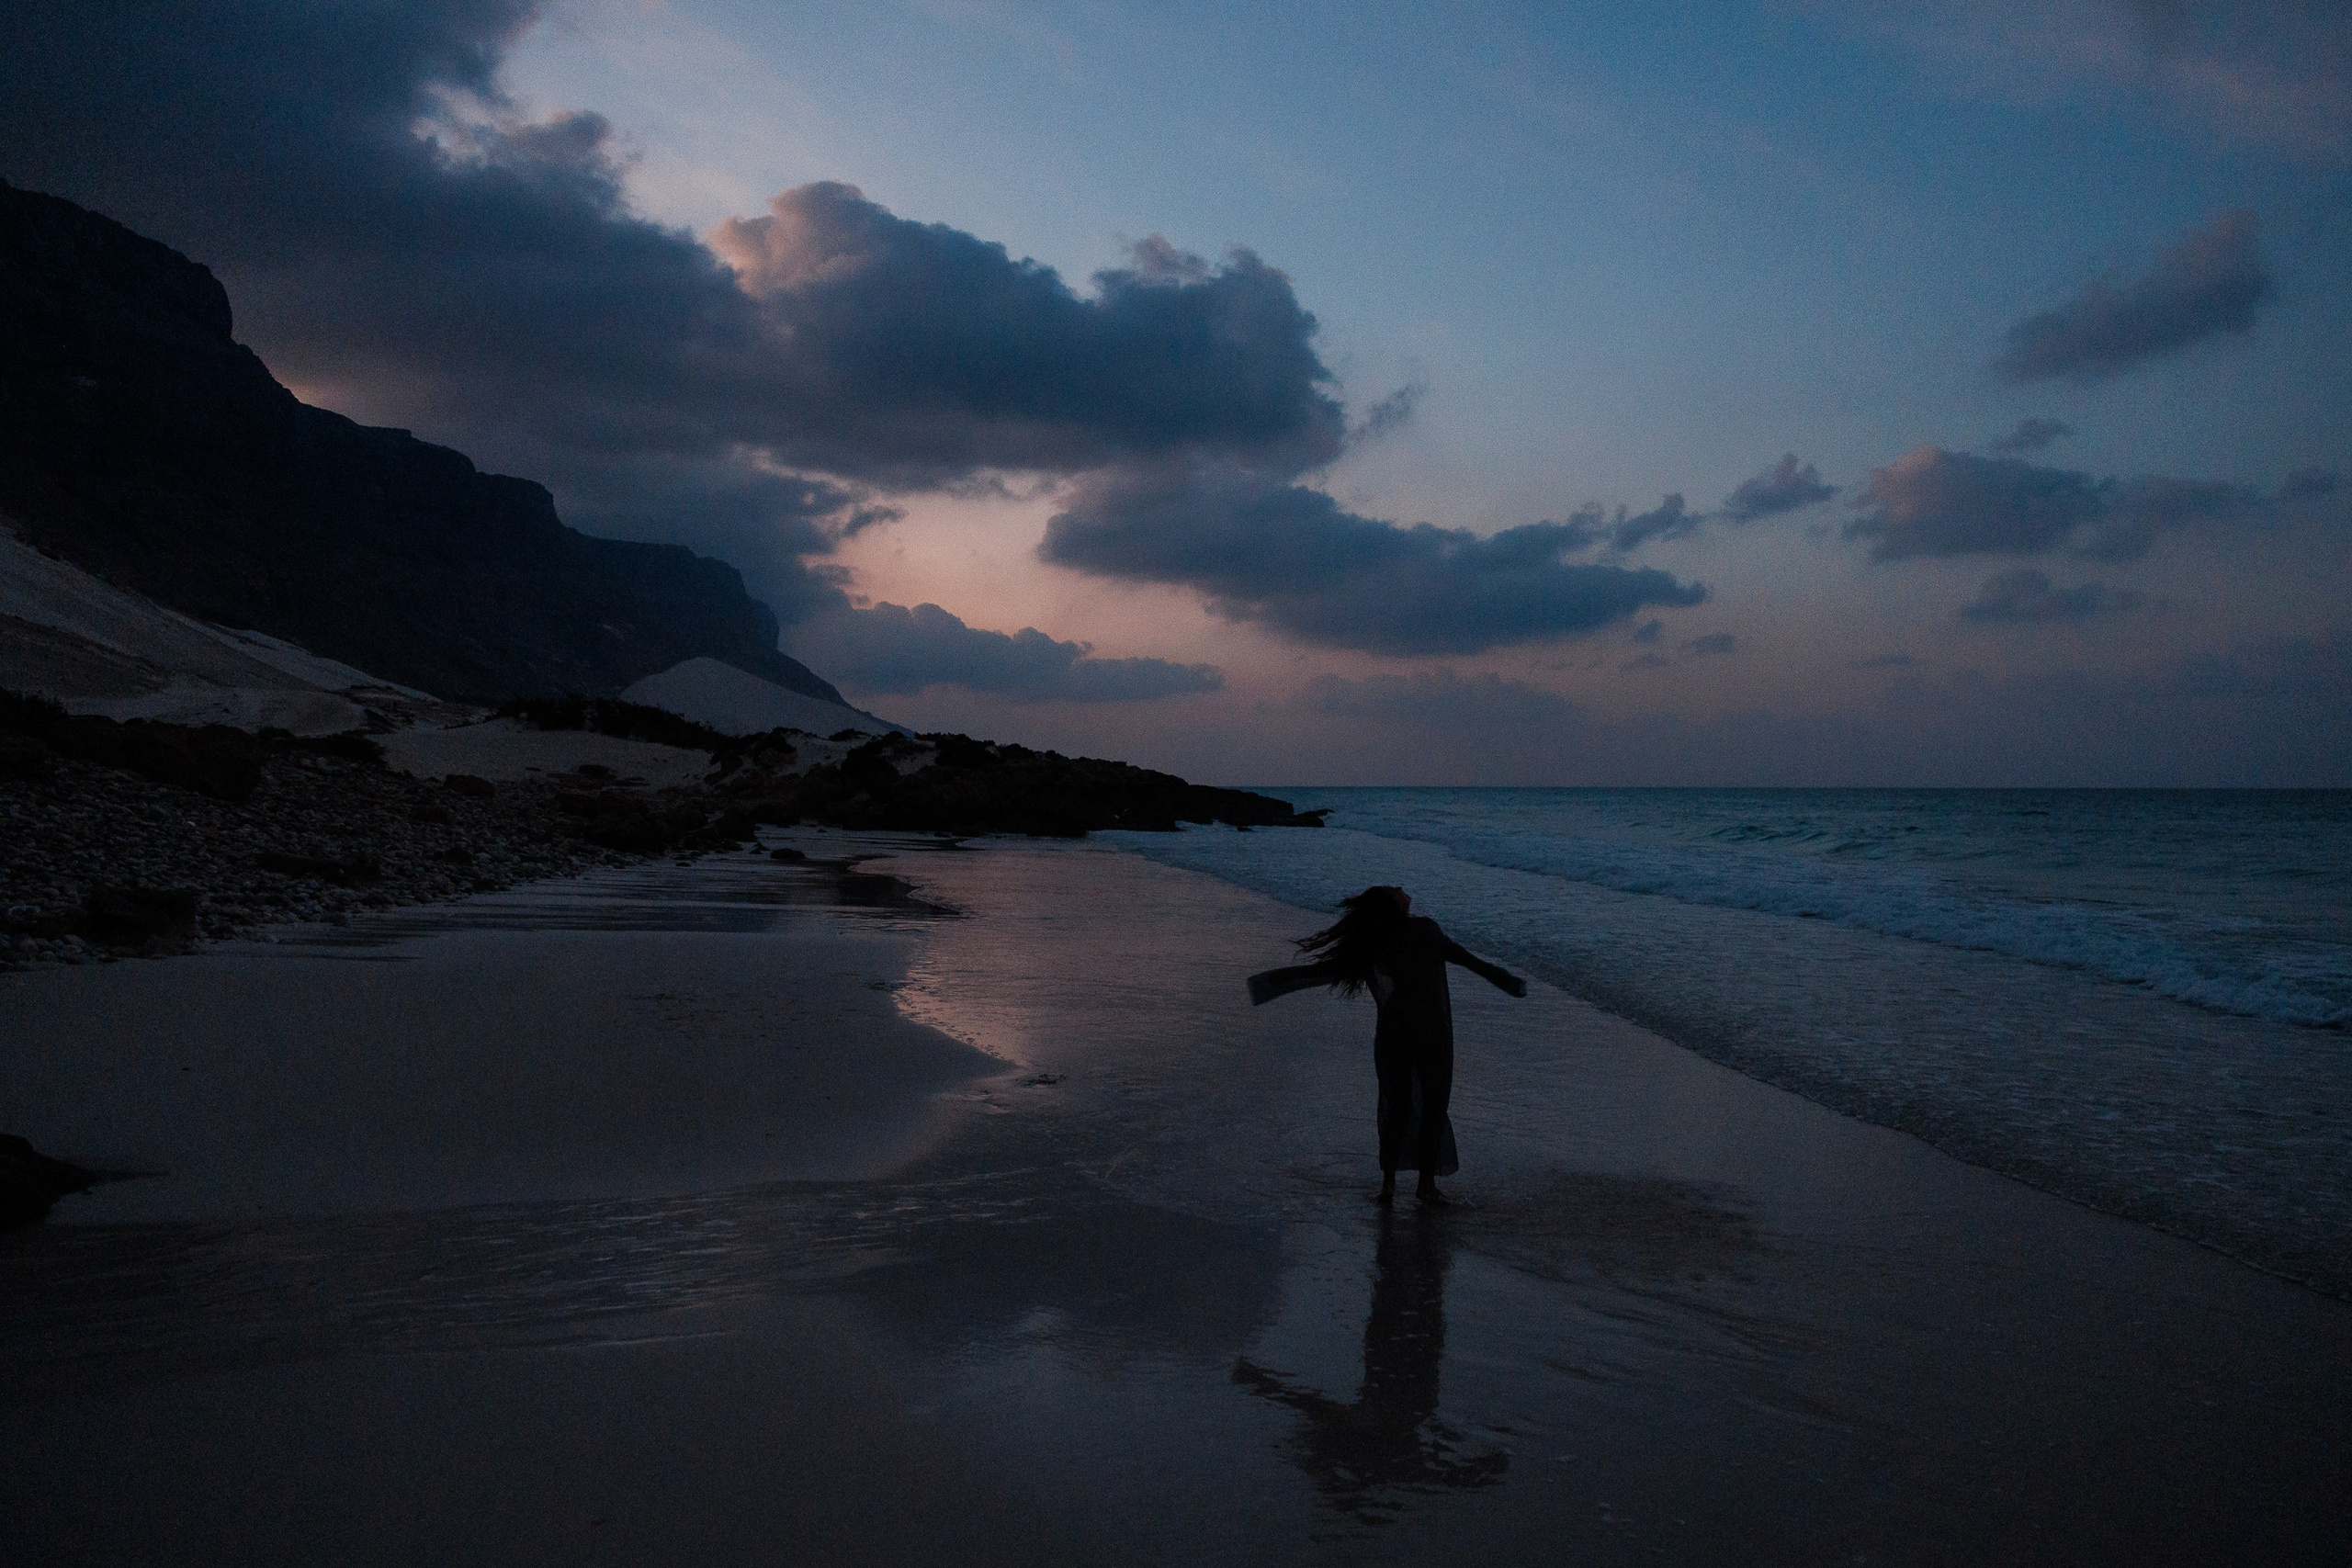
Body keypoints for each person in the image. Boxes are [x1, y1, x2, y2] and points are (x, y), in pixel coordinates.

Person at [1248, 886, 1526, 1205]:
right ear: (1393, 905)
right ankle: (1425, 1185)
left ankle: (1388, 1185)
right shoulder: (1426, 930)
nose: (1403, 890)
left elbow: (1324, 972)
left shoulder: (1375, 941)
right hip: (1430, 1029)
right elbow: (1467, 960)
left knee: (1399, 1107)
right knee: (1433, 1106)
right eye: (1397, 891)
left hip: (1394, 1028)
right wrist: (1504, 979)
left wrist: (1273, 982)